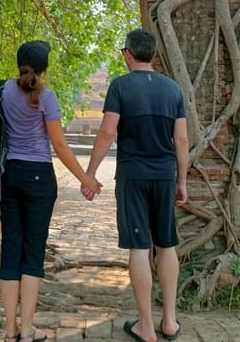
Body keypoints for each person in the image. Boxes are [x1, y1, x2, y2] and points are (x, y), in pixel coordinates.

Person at [85, 29, 189, 342]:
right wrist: (181, 180)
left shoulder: (120, 86)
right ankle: (169, 321)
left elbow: (106, 134)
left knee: (139, 247)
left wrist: (90, 174)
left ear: (128, 54)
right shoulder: (173, 89)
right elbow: (181, 139)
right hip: (164, 175)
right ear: (153, 54)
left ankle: (146, 325)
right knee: (166, 245)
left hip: (132, 176)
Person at [0, 40, 102, 342]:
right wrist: (85, 178)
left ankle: (9, 330)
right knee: (33, 252)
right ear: (45, 68)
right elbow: (59, 145)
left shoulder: (3, 90)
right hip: (39, 178)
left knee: (10, 251)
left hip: (9, 174)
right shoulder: (47, 96)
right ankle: (28, 329)